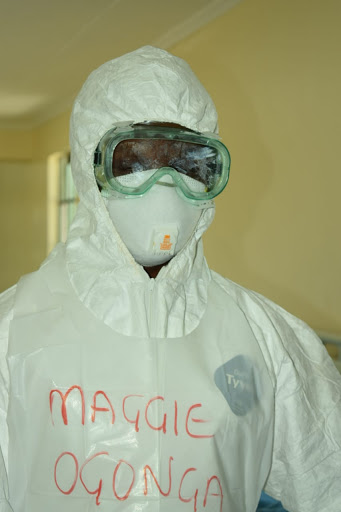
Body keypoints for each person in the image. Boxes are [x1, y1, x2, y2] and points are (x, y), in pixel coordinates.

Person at [0, 46, 340, 512]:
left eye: (187, 163)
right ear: (89, 166)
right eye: (135, 161)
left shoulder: (265, 340)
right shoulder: (13, 331)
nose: (164, 183)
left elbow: (327, 480)